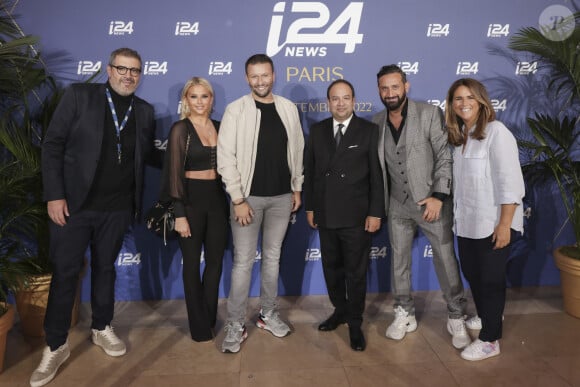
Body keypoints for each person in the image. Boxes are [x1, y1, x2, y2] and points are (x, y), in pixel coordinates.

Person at [33, 47, 156, 387]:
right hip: (74, 207)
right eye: (122, 69)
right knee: (65, 273)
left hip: (117, 208)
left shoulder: (144, 112)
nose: (128, 75)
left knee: (105, 269)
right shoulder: (79, 96)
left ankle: (102, 327)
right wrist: (54, 195)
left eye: (135, 70)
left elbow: (148, 157)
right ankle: (56, 345)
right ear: (109, 69)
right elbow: (53, 145)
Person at [372, 64, 469, 349]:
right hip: (397, 205)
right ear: (379, 90)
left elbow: (444, 155)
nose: (390, 93)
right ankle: (404, 312)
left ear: (406, 86)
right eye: (384, 88)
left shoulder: (428, 113)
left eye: (395, 86)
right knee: (399, 262)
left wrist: (439, 195)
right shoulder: (376, 122)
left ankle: (456, 314)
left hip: (431, 202)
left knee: (446, 260)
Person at [217, 54, 304, 353]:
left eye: (264, 75)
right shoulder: (235, 110)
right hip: (247, 200)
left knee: (272, 258)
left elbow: (298, 150)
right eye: (254, 76)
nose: (260, 81)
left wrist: (296, 188)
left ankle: (268, 314)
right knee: (243, 263)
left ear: (273, 75)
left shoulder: (288, 108)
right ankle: (236, 323)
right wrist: (237, 198)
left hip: (282, 198)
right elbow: (225, 158)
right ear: (246, 78)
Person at [445, 78, 524, 361]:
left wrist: (505, 224)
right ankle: (487, 314)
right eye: (457, 99)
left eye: (469, 97)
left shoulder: (496, 132)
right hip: (467, 224)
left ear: (481, 101)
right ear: (451, 105)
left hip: (493, 224)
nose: (463, 103)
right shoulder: (460, 139)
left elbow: (510, 182)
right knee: (473, 274)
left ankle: (490, 339)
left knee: (490, 280)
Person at [303, 79, 384, 351]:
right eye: (335, 98)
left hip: (356, 216)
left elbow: (377, 176)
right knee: (331, 269)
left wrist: (375, 212)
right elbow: (311, 173)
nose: (340, 103)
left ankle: (355, 322)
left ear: (353, 100)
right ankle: (339, 310)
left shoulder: (369, 131)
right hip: (326, 214)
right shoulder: (317, 131)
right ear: (328, 102)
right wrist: (311, 207)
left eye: (346, 98)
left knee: (356, 273)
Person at [159, 77, 228, 342]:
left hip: (217, 200)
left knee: (215, 263)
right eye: (194, 96)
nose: (200, 102)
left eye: (205, 96)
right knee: (191, 265)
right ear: (186, 100)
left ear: (212, 99)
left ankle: (208, 316)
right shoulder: (180, 129)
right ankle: (198, 327)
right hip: (189, 201)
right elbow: (174, 174)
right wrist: (179, 214)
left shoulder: (221, 127)